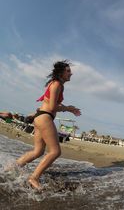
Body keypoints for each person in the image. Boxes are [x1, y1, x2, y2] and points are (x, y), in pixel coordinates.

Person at [16, 60, 81, 189]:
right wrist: (67, 108)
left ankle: (14, 167)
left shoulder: (55, 84)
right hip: (45, 118)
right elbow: (51, 106)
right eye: (68, 71)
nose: (71, 74)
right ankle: (33, 178)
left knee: (38, 151)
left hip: (40, 117)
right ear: (61, 72)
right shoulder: (57, 84)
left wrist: (68, 108)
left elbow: (48, 103)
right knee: (55, 151)